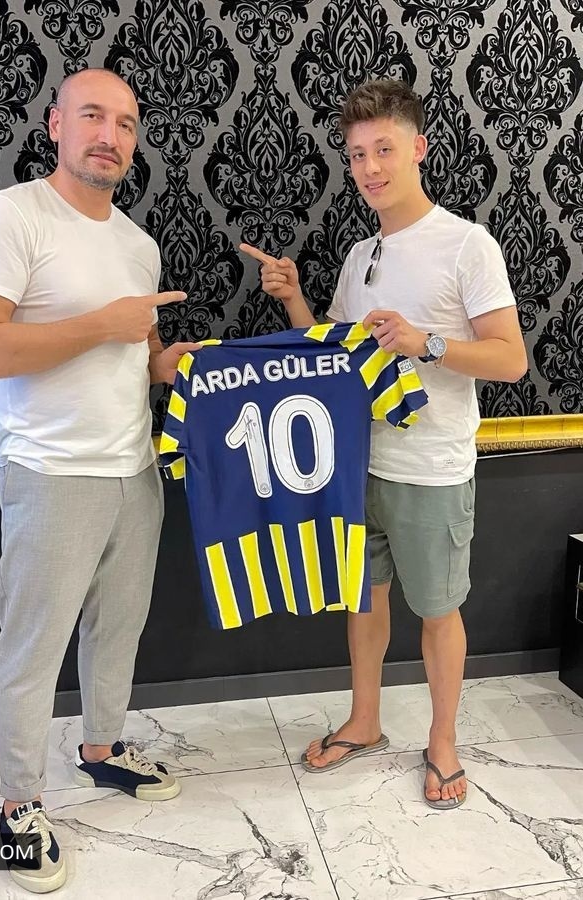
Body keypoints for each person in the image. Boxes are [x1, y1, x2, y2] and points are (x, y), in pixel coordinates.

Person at [241, 78, 527, 810]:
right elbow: (333, 354)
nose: (369, 167)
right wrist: (293, 298)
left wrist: (428, 342)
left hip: (432, 469)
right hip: (356, 464)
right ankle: (365, 721)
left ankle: (443, 742)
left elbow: (510, 359)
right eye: (357, 154)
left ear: (418, 149)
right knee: (364, 600)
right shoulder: (360, 254)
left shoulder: (468, 244)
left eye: (383, 150)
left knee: (438, 609)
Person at [0, 68, 198, 892]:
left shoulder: (137, 244)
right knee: (33, 647)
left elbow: (136, 353)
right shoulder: (9, 215)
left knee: (117, 630)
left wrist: (164, 363)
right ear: (56, 124)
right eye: (93, 116)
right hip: (51, 473)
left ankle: (101, 747)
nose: (109, 136)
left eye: (125, 123)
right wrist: (102, 324)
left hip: (135, 468)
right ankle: (19, 804)